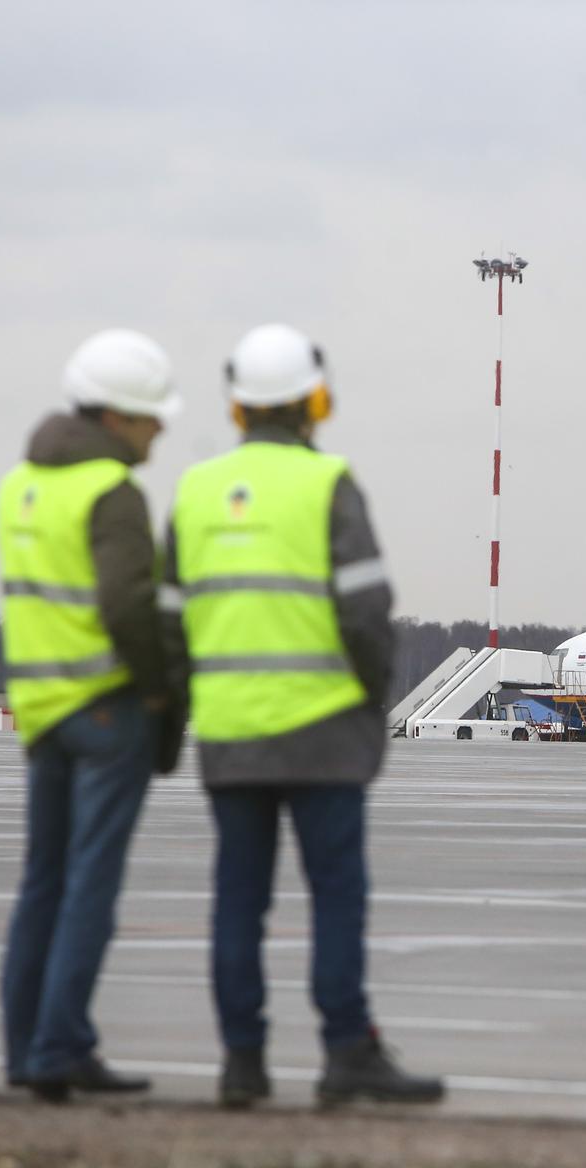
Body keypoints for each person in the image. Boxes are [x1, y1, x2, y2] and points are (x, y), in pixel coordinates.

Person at [162, 324, 444, 1111]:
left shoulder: (194, 491)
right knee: (335, 898)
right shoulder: (329, 484)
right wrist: (370, 707)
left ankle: (242, 1063)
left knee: (238, 902)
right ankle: (346, 1052)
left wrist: (176, 718)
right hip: (323, 737)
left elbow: (166, 627)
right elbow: (367, 615)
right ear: (315, 401)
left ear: (236, 407)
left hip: (229, 739)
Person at [0, 329, 185, 1104]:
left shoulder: (21, 485)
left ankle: (25, 1046)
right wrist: (158, 688)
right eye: (149, 418)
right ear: (113, 417)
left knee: (42, 882)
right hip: (107, 710)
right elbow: (127, 606)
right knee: (89, 888)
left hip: (42, 714)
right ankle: (60, 1047)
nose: (159, 430)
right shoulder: (110, 491)